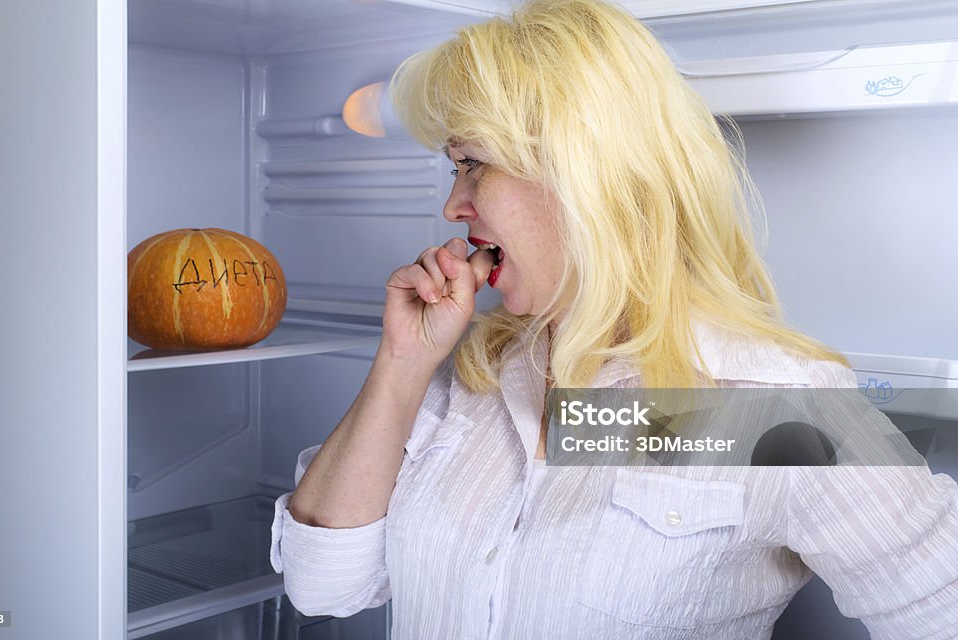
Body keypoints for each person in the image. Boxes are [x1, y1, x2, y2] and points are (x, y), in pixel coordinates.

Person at [269, 0, 958, 637]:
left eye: (472, 164)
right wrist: (402, 363)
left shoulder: (767, 404)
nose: (454, 206)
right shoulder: (476, 378)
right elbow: (322, 583)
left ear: (583, 172)